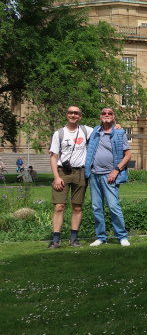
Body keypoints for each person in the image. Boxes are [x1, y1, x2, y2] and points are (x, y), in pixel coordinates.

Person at [48, 106, 94, 249]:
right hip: (63, 173)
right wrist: (56, 177)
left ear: (80, 116)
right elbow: (54, 156)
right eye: (70, 112)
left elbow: (104, 130)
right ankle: (56, 239)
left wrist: (116, 124)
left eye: (76, 113)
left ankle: (73, 238)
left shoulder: (87, 130)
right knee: (59, 206)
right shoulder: (59, 133)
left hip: (80, 172)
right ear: (66, 115)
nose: (73, 115)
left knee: (77, 207)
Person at [85, 107, 131, 247]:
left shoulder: (119, 132)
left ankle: (122, 236)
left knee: (113, 206)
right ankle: (101, 237)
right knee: (96, 207)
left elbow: (128, 155)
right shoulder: (94, 132)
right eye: (104, 113)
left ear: (113, 116)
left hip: (109, 175)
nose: (106, 115)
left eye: (109, 113)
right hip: (94, 175)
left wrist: (116, 171)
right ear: (100, 116)